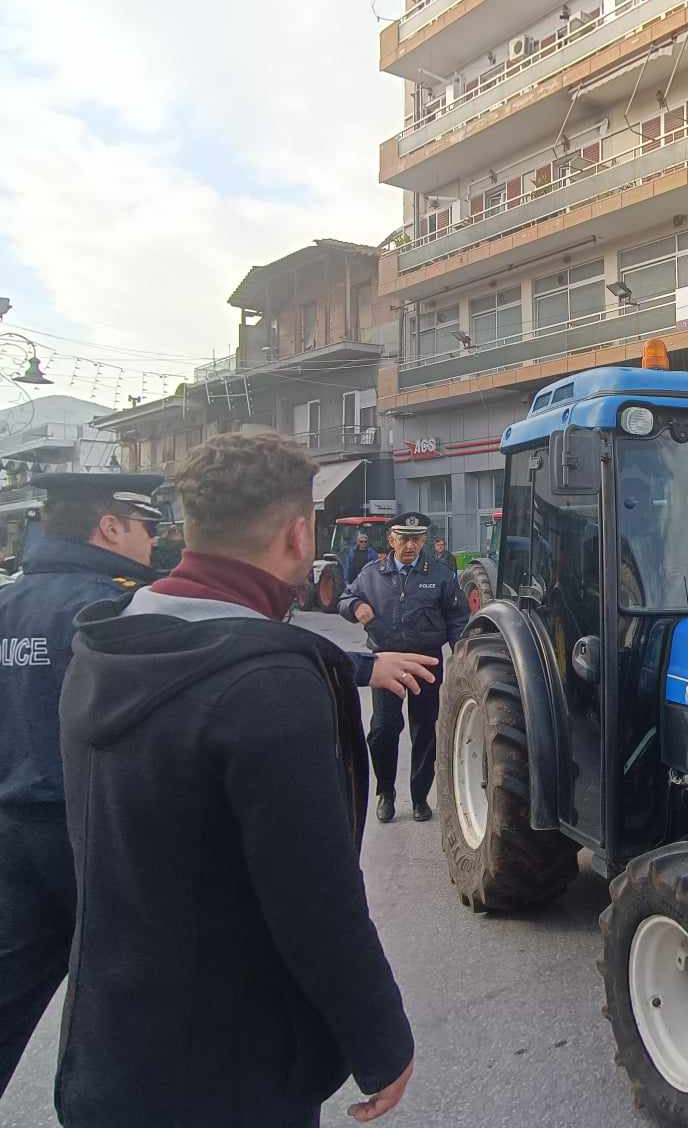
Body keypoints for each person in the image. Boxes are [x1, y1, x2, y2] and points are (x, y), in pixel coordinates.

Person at [56, 434, 426, 1124]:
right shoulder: (269, 684)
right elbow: (314, 899)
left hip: (109, 1047)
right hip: (230, 1070)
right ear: (297, 533)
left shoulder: (104, 643)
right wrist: (381, 1040)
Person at [0, 472, 162, 1095]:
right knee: (126, 1014)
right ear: (111, 525)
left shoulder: (9, 602)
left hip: (12, 835)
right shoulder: (111, 606)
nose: (153, 543)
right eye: (147, 527)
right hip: (90, 834)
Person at [341, 510, 469, 823]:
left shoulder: (440, 575)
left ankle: (419, 797)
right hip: (385, 663)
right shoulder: (372, 573)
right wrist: (358, 607)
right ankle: (386, 792)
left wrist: (462, 656)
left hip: (426, 662)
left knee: (425, 730)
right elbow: (345, 599)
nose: (410, 545)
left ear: (424, 540)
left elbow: (457, 619)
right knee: (384, 729)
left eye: (416, 538)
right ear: (391, 539)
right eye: (403, 538)